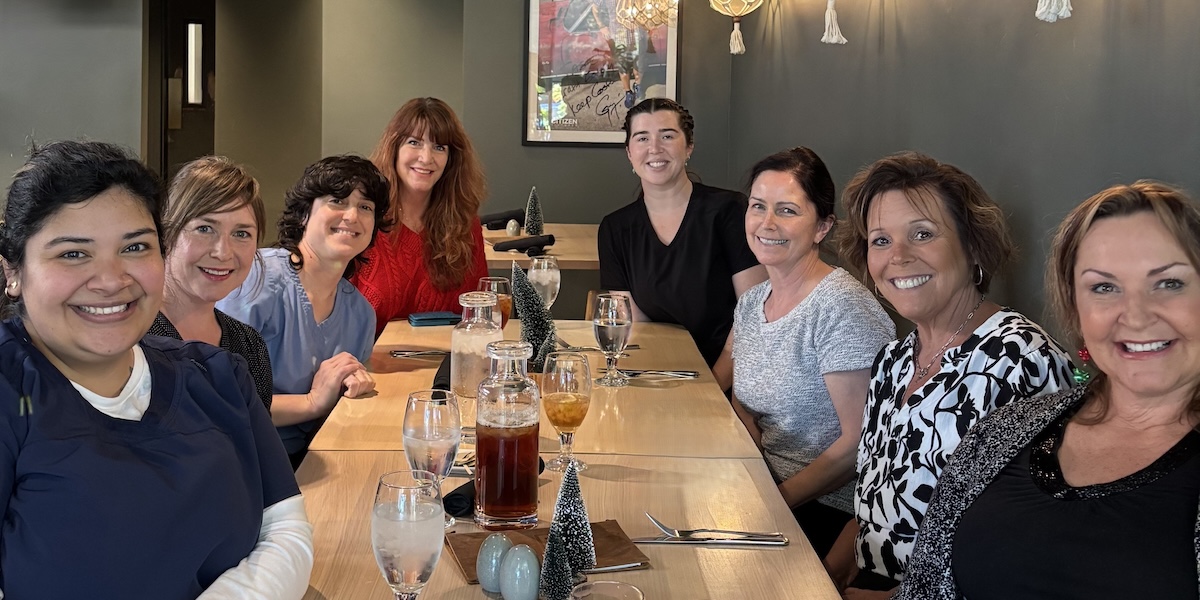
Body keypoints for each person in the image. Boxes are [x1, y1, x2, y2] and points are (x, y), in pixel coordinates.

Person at [0, 140, 311, 598]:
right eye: (72, 253)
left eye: (135, 247)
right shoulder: (11, 390)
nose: (110, 279)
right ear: (13, 272)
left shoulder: (220, 377)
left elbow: (285, 531)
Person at [900, 181, 1200, 599]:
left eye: (1169, 283)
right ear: (1076, 308)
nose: (1135, 315)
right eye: (1104, 287)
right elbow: (924, 589)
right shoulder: (1002, 430)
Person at [825, 151, 1075, 598]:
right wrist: (824, 575)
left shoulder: (1022, 360)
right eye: (880, 240)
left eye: (922, 234)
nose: (898, 256)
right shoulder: (893, 362)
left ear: (973, 245)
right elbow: (875, 510)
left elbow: (1037, 548)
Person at [727, 147, 895, 557]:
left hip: (827, 513)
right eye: (758, 207)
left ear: (822, 227)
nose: (767, 224)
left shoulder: (841, 308)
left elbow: (859, 443)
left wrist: (771, 503)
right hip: (761, 481)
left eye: (787, 211)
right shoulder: (753, 302)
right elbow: (741, 400)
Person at [219, 155, 384, 469]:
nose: (352, 216)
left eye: (365, 207)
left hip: (318, 457)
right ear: (305, 214)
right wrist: (312, 402)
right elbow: (221, 402)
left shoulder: (361, 313)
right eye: (337, 200)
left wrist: (354, 386)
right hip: (240, 461)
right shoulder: (257, 279)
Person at [597, 98, 766, 390]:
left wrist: (711, 386)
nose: (654, 148)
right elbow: (637, 328)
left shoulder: (730, 210)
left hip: (731, 379)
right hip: (660, 377)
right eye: (642, 138)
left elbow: (754, 315)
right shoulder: (615, 228)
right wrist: (659, 385)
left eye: (667, 136)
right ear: (629, 153)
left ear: (688, 147)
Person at [350, 97, 489, 336]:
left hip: (448, 365)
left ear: (451, 159)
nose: (426, 158)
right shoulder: (362, 219)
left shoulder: (465, 224)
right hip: (367, 368)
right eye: (414, 142)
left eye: (439, 147)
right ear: (394, 148)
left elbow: (480, 313)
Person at [148, 156, 273, 411]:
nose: (223, 252)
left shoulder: (250, 346)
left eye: (241, 234)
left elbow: (257, 445)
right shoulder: (130, 337)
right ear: (167, 233)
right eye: (205, 228)